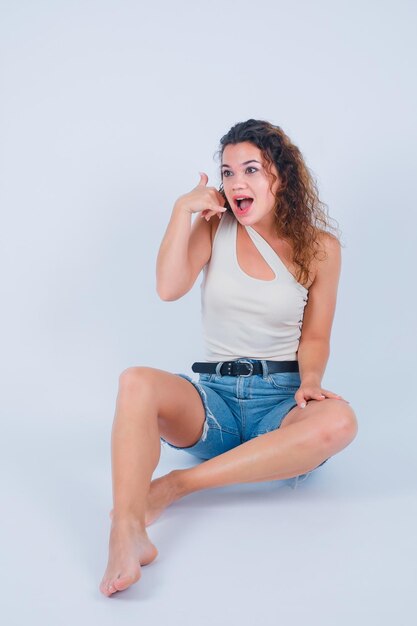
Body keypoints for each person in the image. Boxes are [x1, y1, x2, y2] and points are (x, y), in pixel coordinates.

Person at [99, 119, 358, 597]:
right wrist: (182, 213)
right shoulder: (213, 228)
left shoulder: (321, 248)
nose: (237, 182)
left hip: (281, 408)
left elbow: (316, 335)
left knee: (339, 422)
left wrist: (311, 381)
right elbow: (168, 287)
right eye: (228, 171)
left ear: (282, 176)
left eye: (251, 169)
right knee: (135, 380)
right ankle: (125, 531)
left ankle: (177, 485)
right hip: (211, 401)